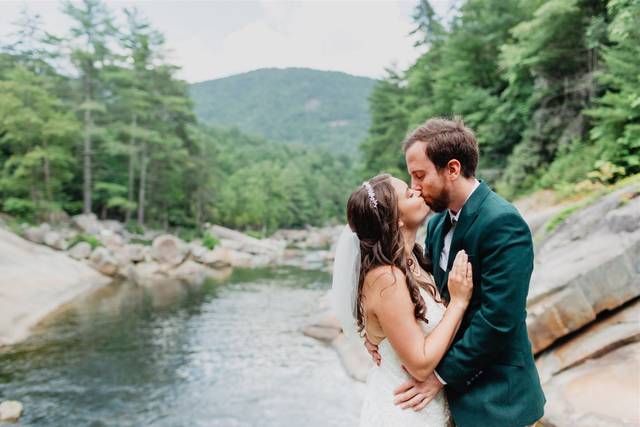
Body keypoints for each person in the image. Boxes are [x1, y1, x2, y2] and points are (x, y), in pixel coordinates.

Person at [364, 117, 546, 427]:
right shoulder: (435, 223)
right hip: (448, 402)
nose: (416, 188)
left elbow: (499, 319)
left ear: (452, 169)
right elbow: (431, 298)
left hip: (497, 400)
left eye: (420, 176)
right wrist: (376, 333)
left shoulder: (502, 223)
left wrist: (439, 376)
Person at [332, 173, 473, 426]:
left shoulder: (414, 260)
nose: (418, 190)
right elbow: (419, 365)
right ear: (396, 220)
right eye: (409, 193)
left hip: (428, 408)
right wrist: (459, 302)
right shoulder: (387, 278)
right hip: (405, 413)